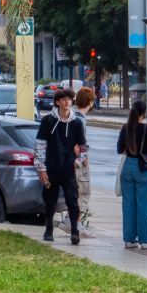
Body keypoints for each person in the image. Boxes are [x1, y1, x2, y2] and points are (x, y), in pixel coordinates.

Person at [35, 89, 88, 245]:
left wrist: (79, 159)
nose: (67, 102)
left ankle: (74, 232)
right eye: (63, 99)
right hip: (51, 167)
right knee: (50, 201)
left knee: (73, 201)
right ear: (57, 102)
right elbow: (39, 145)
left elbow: (83, 146)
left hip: (69, 169)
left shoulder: (76, 123)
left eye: (69, 100)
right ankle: (49, 228)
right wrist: (41, 168)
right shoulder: (48, 121)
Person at [117, 99, 147, 249]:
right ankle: (145, 240)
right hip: (143, 168)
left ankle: (129, 239)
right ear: (143, 113)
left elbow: (119, 148)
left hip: (127, 167)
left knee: (128, 204)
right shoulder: (146, 129)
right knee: (143, 204)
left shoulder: (125, 127)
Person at [69, 86, 95, 230]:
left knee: (75, 193)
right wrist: (84, 158)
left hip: (70, 161)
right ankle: (76, 224)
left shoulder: (72, 115)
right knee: (84, 192)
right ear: (90, 102)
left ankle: (73, 222)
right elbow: (80, 142)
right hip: (79, 162)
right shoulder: (81, 119)